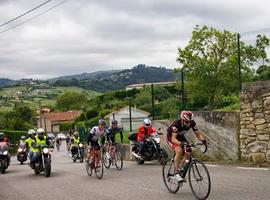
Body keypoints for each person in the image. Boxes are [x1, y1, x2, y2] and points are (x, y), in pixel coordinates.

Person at [167, 111, 208, 181]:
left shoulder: (192, 123)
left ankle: (181, 167)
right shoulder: (176, 124)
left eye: (189, 122)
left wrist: (203, 141)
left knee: (188, 153)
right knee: (179, 151)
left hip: (180, 137)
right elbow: (173, 139)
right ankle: (176, 173)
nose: (188, 124)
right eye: (186, 122)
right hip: (171, 137)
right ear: (182, 120)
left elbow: (198, 135)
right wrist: (180, 144)